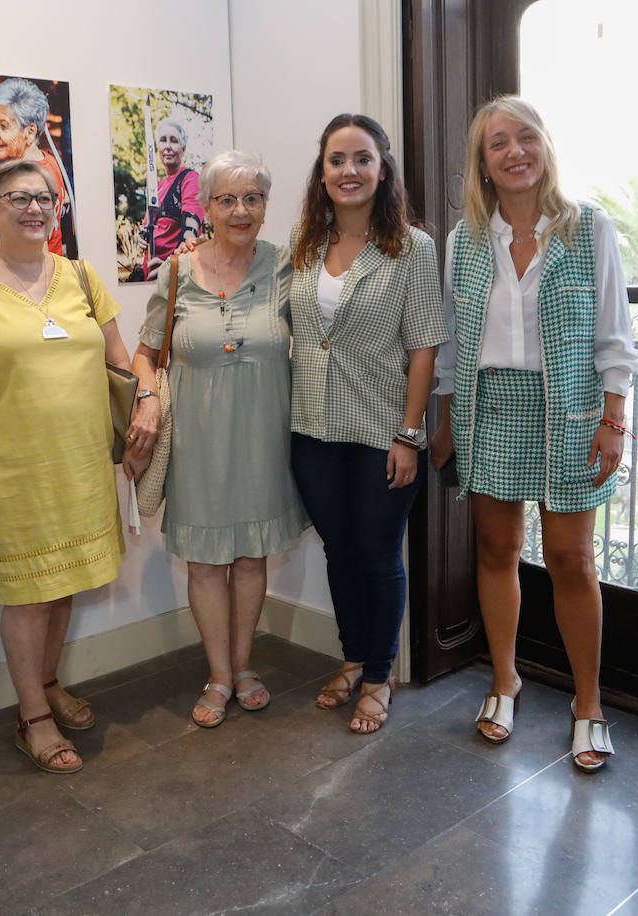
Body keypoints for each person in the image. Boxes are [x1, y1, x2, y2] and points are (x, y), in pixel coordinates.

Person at [430, 96, 638, 773]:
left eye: (526, 138)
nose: (514, 151)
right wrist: (446, 419)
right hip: (490, 408)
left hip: (571, 410)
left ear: (544, 147)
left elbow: (615, 332)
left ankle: (587, 702)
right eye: (499, 143)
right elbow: (456, 342)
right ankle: (505, 681)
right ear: (483, 163)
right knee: (496, 551)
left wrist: (614, 417)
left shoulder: (589, 229)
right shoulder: (465, 239)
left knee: (573, 561)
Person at [0, 159, 153, 774]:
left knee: (65, 585)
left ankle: (50, 683)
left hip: (82, 460)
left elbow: (121, 359)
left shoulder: (82, 277)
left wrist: (150, 402)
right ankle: (32, 715)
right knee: (28, 596)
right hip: (11, 469)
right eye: (18, 198)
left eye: (45, 197)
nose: (35, 208)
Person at [128, 151, 308, 727]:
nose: (239, 209)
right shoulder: (177, 272)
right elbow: (144, 350)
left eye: (252, 198)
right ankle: (219, 675)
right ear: (204, 207)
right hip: (199, 444)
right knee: (206, 564)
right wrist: (148, 397)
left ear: (264, 206)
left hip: (263, 437)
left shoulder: (286, 267)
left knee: (252, 557)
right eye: (226, 199)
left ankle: (245, 664)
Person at [289, 114, 447, 734]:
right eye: (336, 160)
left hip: (383, 433)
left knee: (379, 555)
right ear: (321, 171)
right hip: (312, 431)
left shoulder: (411, 247)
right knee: (339, 552)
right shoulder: (304, 245)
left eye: (361, 159)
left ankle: (379, 677)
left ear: (382, 170)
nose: (348, 171)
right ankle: (353, 657)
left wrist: (410, 434)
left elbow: (424, 348)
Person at [0, 77, 73, 255]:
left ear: (30, 132)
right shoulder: (49, 161)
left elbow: (36, 248)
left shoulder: (22, 181)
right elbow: (65, 203)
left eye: (3, 125)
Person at [135, 118, 206, 281]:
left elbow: (191, 231)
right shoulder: (157, 186)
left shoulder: (191, 179)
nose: (167, 146)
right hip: (150, 276)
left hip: (175, 278)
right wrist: (142, 236)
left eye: (173, 141)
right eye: (163, 140)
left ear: (183, 148)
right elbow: (146, 226)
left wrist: (173, 267)